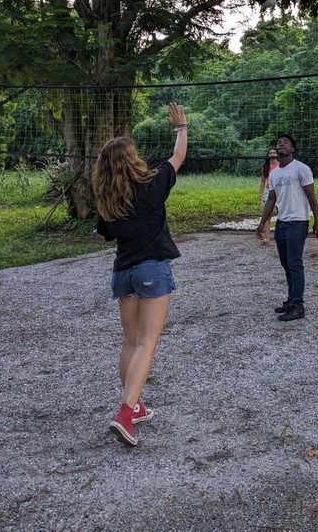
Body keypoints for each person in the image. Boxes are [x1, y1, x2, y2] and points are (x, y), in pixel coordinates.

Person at [93, 102, 187, 447]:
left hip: (122, 273)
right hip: (151, 268)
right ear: (133, 160)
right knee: (147, 343)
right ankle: (124, 412)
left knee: (130, 342)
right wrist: (181, 126)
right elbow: (177, 157)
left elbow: (106, 234)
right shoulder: (151, 185)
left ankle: (136, 407)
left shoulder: (107, 199)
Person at [259, 134, 318, 322]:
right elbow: (271, 199)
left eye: (285, 143)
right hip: (282, 222)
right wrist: (262, 223)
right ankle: (291, 299)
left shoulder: (301, 169)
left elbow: (311, 196)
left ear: (292, 149)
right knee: (286, 264)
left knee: (294, 263)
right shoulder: (275, 173)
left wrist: (317, 220)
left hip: (298, 222)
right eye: (278, 143)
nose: (281, 145)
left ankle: (298, 306)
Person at [255, 147, 279, 244]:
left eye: (274, 152)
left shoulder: (281, 165)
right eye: (270, 153)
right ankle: (267, 237)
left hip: (280, 191)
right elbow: (262, 181)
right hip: (268, 191)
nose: (272, 154)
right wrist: (260, 192)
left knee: (281, 214)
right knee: (267, 215)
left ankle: (279, 235)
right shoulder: (265, 166)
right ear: (268, 155)